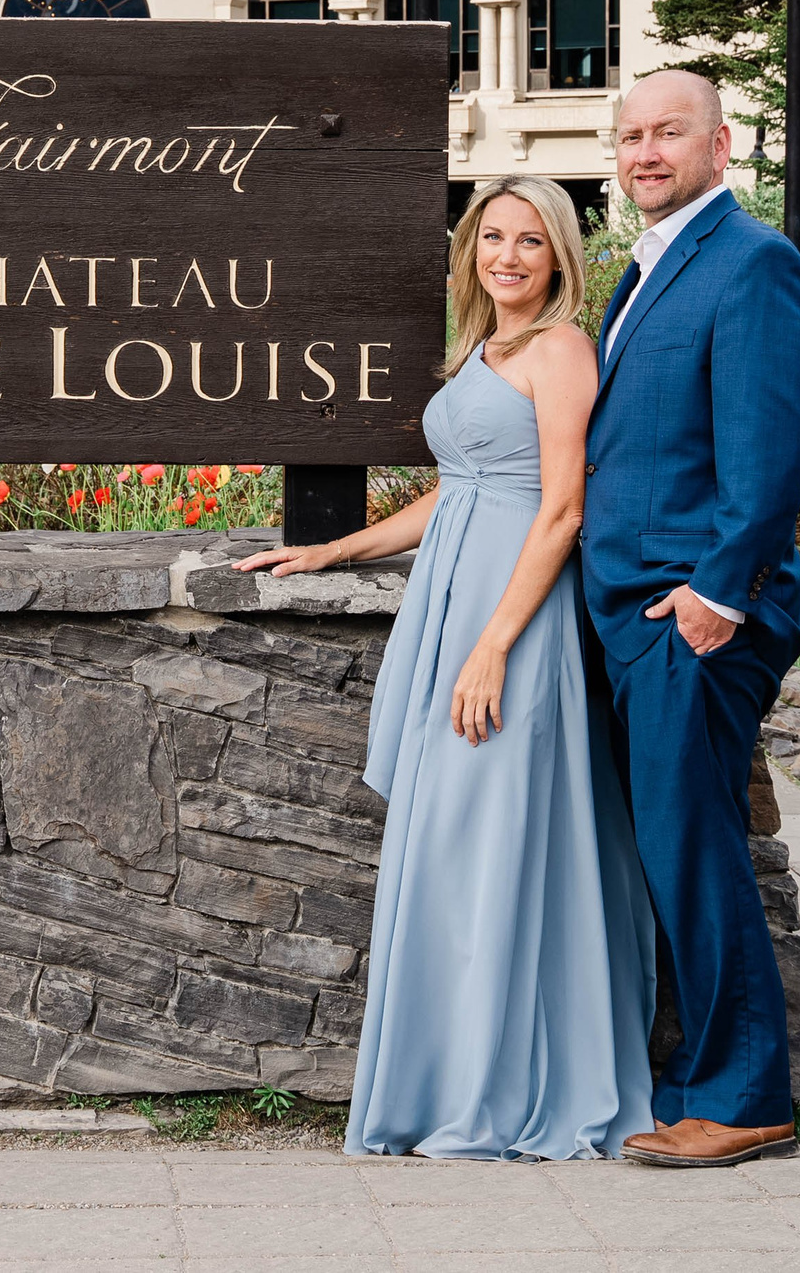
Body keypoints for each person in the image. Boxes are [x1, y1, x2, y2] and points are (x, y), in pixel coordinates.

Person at [236, 178, 657, 1161]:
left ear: (559, 256)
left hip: (511, 616)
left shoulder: (559, 351)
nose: (507, 256)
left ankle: (502, 1088)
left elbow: (559, 509)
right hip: (453, 602)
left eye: (529, 242)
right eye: (491, 238)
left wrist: (493, 644)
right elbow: (454, 492)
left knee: (499, 838)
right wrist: (332, 551)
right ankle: (443, 1078)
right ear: (471, 250)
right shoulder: (484, 349)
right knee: (450, 845)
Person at [582, 69, 800, 1169]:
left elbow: (768, 450)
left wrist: (718, 596)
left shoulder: (752, 262)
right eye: (628, 134)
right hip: (634, 615)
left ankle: (742, 1098)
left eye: (667, 132)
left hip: (696, 616)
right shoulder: (643, 271)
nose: (644, 151)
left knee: (694, 849)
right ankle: (697, 1084)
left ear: (719, 145)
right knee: (673, 851)